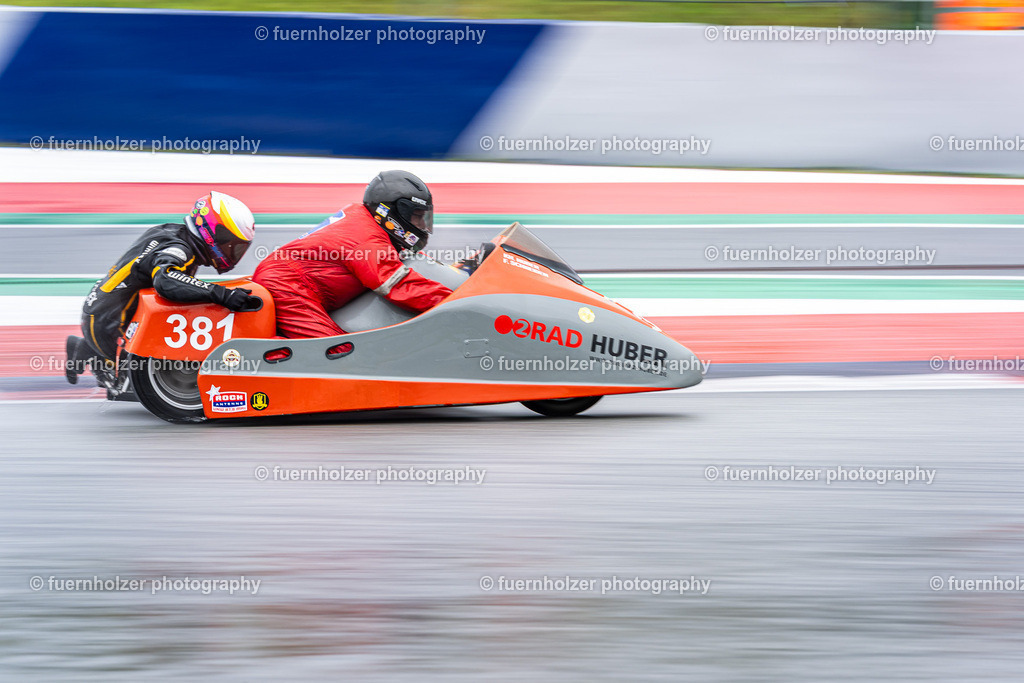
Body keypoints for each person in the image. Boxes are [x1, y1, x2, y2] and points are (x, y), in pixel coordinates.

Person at [65, 191, 260, 389]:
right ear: (213, 233)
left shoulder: (175, 234)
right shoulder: (179, 248)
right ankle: (85, 350)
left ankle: (83, 349)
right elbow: (165, 281)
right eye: (230, 244)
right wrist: (222, 294)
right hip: (105, 321)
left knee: (132, 378)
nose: (232, 251)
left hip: (110, 311)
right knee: (119, 385)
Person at [251, 170, 453, 339]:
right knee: (332, 353)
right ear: (391, 212)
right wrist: (455, 301)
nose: (421, 225)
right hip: (287, 285)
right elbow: (399, 286)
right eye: (416, 217)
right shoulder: (366, 238)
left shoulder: (364, 220)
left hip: (288, 280)